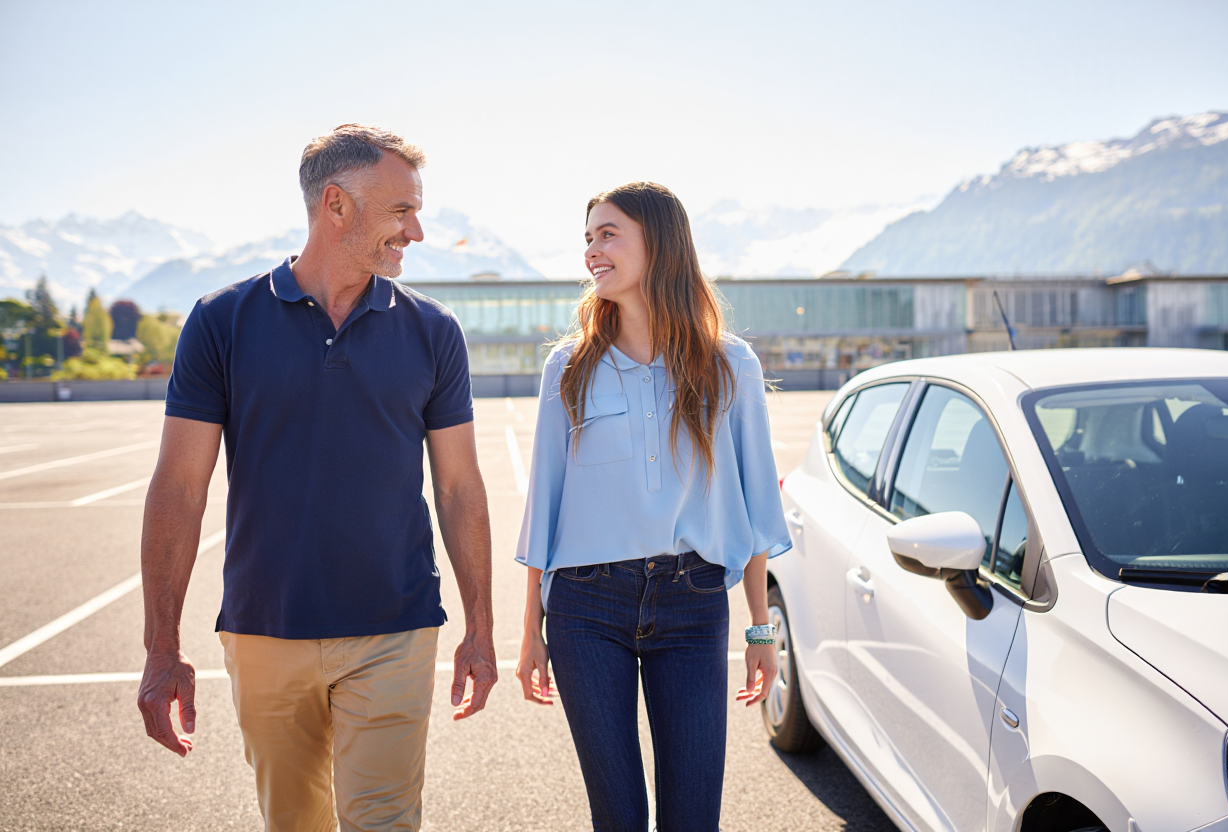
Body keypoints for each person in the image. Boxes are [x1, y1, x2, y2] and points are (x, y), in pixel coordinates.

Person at [137, 124, 497, 832]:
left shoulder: (434, 330)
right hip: (265, 630)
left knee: (385, 821)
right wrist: (161, 647)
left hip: (395, 628)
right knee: (293, 823)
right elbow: (179, 487)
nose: (416, 231)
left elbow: (459, 488)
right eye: (401, 211)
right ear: (336, 204)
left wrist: (481, 629)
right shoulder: (221, 321)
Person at [514, 181, 792, 831]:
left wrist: (760, 630)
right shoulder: (568, 367)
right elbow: (544, 506)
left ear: (659, 243)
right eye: (588, 238)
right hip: (585, 608)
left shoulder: (730, 364)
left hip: (692, 602)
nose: (592, 250)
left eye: (608, 234)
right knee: (617, 817)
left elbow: (755, 508)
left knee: (693, 816)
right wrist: (530, 631)